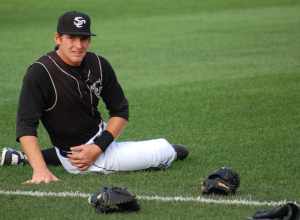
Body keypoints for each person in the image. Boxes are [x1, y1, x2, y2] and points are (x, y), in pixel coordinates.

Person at [0, 11, 188, 184]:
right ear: (58, 38)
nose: (78, 45)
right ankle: (37, 160)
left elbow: (120, 110)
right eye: (71, 38)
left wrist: (99, 146)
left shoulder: (98, 63)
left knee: (131, 145)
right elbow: (25, 126)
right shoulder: (40, 73)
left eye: (84, 38)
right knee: (167, 150)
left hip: (99, 140)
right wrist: (40, 170)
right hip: (80, 159)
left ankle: (23, 157)